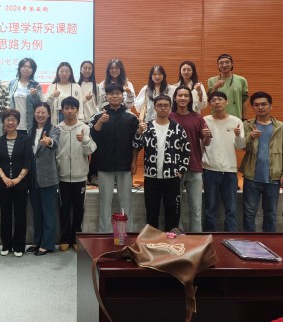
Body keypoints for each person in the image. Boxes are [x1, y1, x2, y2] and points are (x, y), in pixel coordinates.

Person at [132, 95, 190, 231]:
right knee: (151, 212)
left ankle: (171, 239)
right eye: (159, 105)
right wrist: (139, 132)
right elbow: (135, 145)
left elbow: (186, 151)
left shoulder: (177, 128)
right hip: (151, 177)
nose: (163, 108)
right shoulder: (147, 127)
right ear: (155, 107)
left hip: (172, 176)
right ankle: (152, 239)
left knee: (173, 212)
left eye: (166, 105)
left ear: (170, 107)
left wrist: (181, 171)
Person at [241, 91, 283, 232]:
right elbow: (243, 147)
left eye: (264, 104)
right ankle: (249, 240)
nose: (260, 107)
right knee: (249, 213)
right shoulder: (247, 125)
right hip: (251, 176)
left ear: (271, 106)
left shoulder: (281, 127)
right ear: (252, 107)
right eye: (256, 105)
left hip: (273, 177)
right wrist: (251, 137)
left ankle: (270, 241)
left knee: (270, 214)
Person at [90, 83, 138, 233]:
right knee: (105, 202)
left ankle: (126, 232)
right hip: (104, 165)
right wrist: (100, 122)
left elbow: (136, 142)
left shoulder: (131, 117)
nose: (115, 96)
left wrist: (134, 161)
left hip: (125, 165)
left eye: (118, 93)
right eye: (111, 93)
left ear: (122, 96)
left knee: (126, 202)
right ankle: (104, 233)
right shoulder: (98, 116)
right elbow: (92, 137)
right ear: (106, 96)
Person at [168, 85, 211, 232]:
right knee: (176, 209)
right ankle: (178, 238)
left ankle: (196, 239)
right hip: (174, 169)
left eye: (186, 96)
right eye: (180, 95)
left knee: (196, 209)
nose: (183, 98)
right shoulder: (169, 117)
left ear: (190, 99)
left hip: (195, 167)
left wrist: (207, 136)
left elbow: (206, 142)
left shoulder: (197, 117)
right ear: (175, 98)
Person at [56, 96, 96, 251]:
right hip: (63, 175)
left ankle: (76, 238)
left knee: (79, 208)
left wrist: (84, 140)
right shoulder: (57, 128)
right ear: (62, 110)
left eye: (72, 108)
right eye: (66, 108)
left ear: (77, 110)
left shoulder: (84, 128)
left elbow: (91, 150)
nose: (69, 111)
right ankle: (65, 238)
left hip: (80, 175)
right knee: (64, 208)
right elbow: (55, 151)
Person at [0, 109, 33, 257]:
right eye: (7, 119)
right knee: (5, 215)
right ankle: (6, 245)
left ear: (18, 122)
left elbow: (28, 161)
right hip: (4, 184)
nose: (10, 122)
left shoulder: (25, 140)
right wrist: (4, 178)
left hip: (21, 184)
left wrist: (18, 179)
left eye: (13, 119)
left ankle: (19, 246)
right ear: (3, 122)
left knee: (20, 215)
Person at [201, 91, 246, 232]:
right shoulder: (204, 120)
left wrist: (238, 136)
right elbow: (201, 146)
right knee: (210, 208)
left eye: (220, 99)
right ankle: (209, 237)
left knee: (231, 209)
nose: (217, 102)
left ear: (226, 102)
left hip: (230, 171)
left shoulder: (236, 121)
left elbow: (241, 146)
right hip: (209, 170)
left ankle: (232, 237)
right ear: (209, 104)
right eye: (213, 100)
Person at [26, 102, 60, 256]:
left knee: (48, 212)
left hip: (48, 177)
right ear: (34, 113)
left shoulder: (54, 129)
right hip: (32, 176)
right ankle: (37, 241)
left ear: (48, 114)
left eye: (43, 112)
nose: (40, 115)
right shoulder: (30, 131)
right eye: (38, 112)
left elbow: (55, 143)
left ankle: (47, 244)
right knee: (37, 212)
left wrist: (49, 142)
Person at [207, 53, 249, 119]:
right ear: (218, 65)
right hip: (217, 118)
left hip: (236, 117)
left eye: (227, 62)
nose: (224, 65)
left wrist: (244, 119)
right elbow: (210, 100)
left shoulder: (241, 80)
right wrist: (215, 87)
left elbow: (244, 101)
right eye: (221, 63)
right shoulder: (211, 80)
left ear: (232, 64)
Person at [8, 57, 42, 135]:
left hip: (29, 124)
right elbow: (8, 103)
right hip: (13, 123)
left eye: (29, 67)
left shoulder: (36, 85)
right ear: (19, 68)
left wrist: (35, 95)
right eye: (24, 66)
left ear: (33, 70)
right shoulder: (12, 83)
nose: (26, 69)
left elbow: (40, 106)